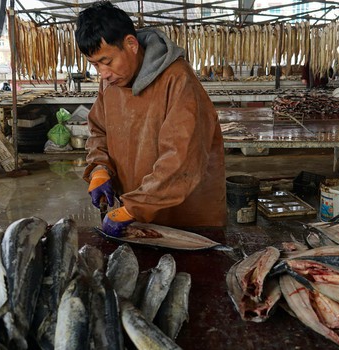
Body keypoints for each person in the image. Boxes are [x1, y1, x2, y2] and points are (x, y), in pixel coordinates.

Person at [75, 1, 226, 237]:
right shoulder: (110, 84)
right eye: (94, 65)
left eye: (107, 61)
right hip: (137, 211)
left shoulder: (178, 80)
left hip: (186, 216)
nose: (103, 73)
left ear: (131, 44)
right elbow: (99, 131)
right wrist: (100, 168)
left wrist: (134, 208)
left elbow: (181, 160)